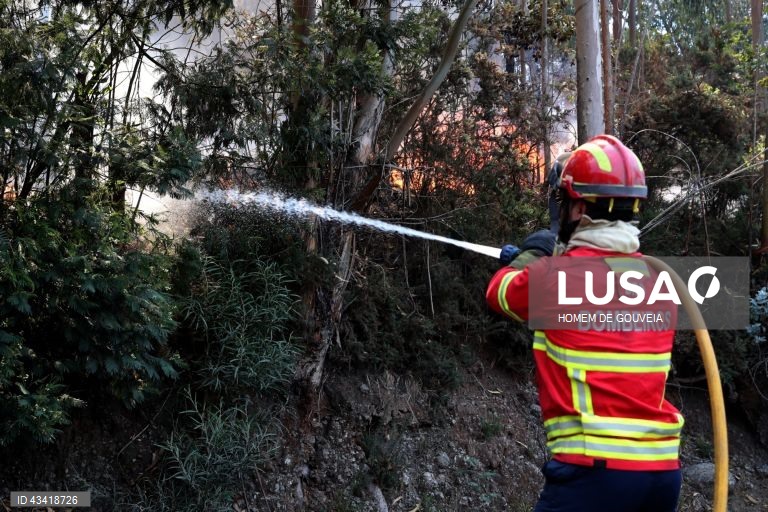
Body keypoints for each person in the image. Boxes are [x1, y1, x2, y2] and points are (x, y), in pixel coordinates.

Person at [486, 135, 683, 512]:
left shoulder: (554, 279)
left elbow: (499, 293)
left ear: (577, 208)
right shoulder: (658, 281)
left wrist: (531, 256)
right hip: (661, 475)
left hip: (596, 474)